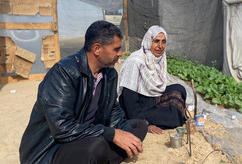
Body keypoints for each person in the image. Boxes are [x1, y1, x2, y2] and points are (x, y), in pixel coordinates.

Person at [19, 21, 148, 164]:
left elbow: (112, 110)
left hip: (90, 134)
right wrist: (111, 134)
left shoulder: (109, 74)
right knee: (95, 147)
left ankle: (100, 155)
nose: (120, 53)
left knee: (139, 126)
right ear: (97, 49)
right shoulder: (64, 72)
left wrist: (126, 135)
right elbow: (62, 128)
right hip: (55, 147)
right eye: (116, 49)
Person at [118, 25, 188, 134]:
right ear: (148, 42)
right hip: (135, 108)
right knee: (174, 117)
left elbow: (156, 86)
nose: (160, 46)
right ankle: (146, 119)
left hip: (150, 99)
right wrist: (145, 125)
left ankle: (167, 111)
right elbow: (129, 99)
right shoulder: (136, 61)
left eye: (163, 42)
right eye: (156, 41)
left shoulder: (159, 58)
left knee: (180, 89)